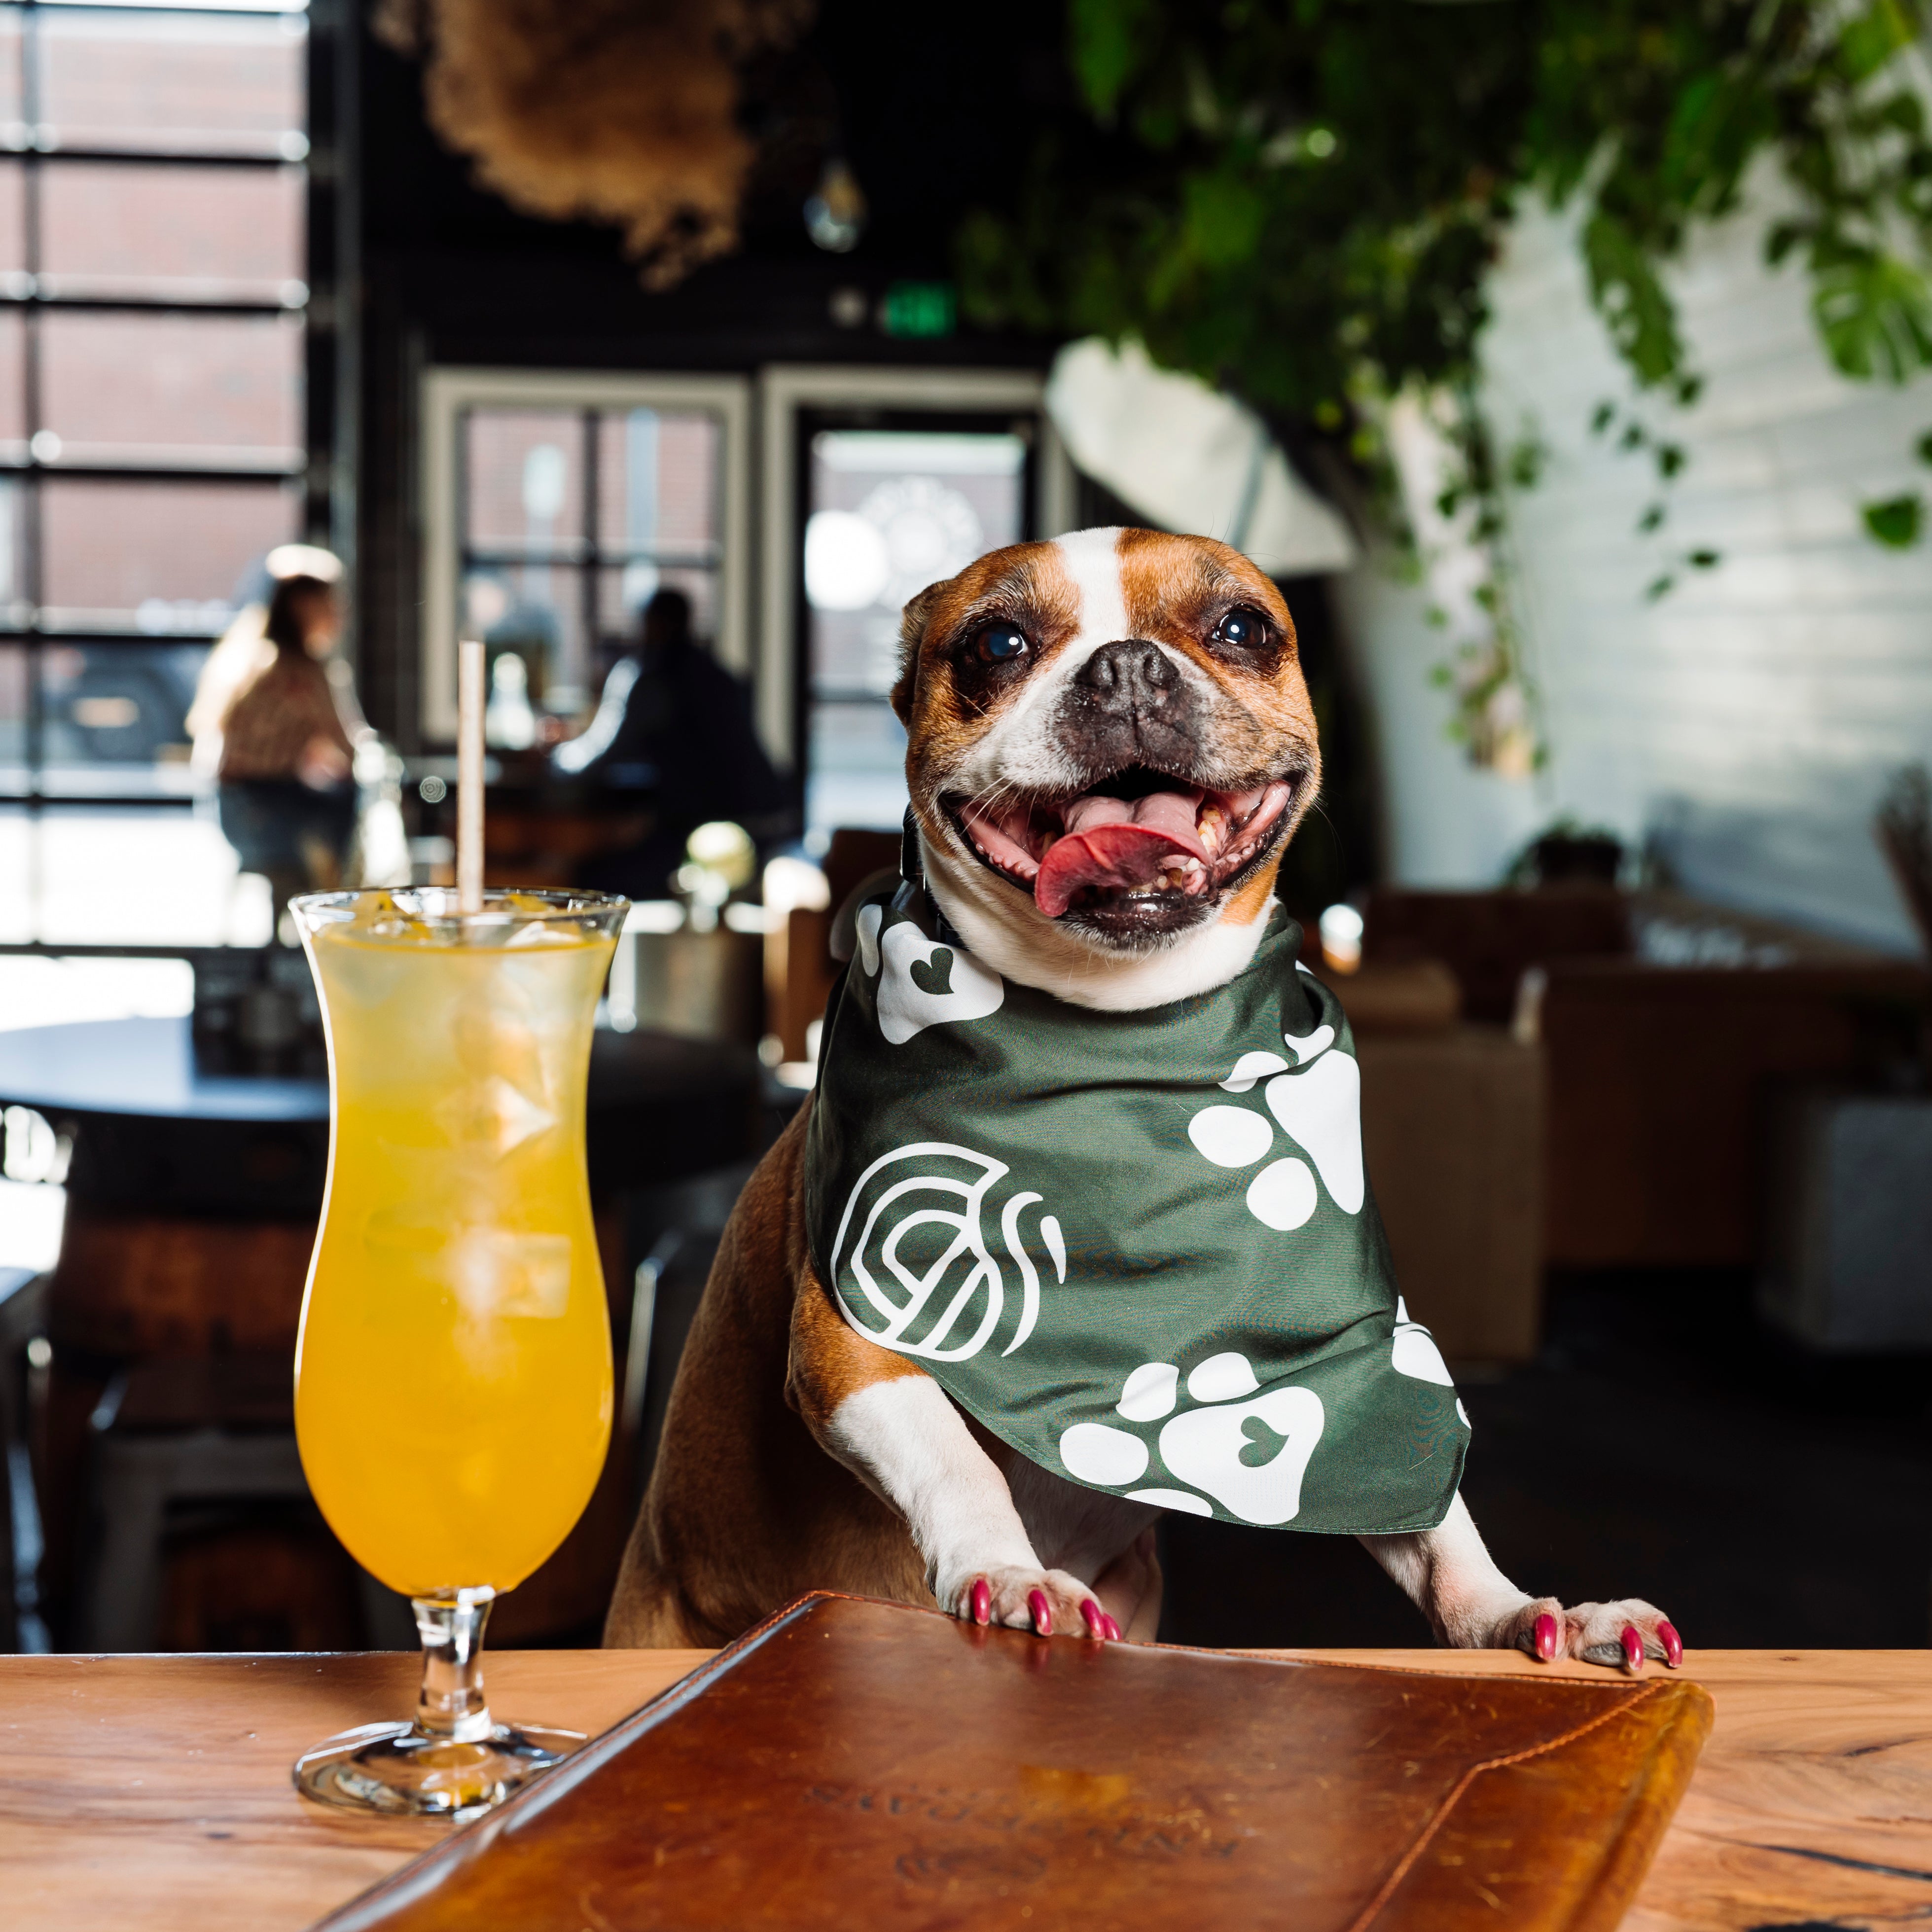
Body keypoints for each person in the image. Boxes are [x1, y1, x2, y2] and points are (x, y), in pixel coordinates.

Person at [553, 587, 788, 896]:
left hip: (701, 832)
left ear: (653, 623)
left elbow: (604, 753)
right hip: (757, 825)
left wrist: (554, 762)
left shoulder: (652, 676)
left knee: (590, 880)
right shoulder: (717, 672)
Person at [188, 544, 369, 928]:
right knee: (355, 796)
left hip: (229, 811)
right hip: (271, 815)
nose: (341, 614)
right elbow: (347, 749)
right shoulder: (303, 672)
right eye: (332, 603)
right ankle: (345, 903)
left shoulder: (244, 658)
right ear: (304, 606)